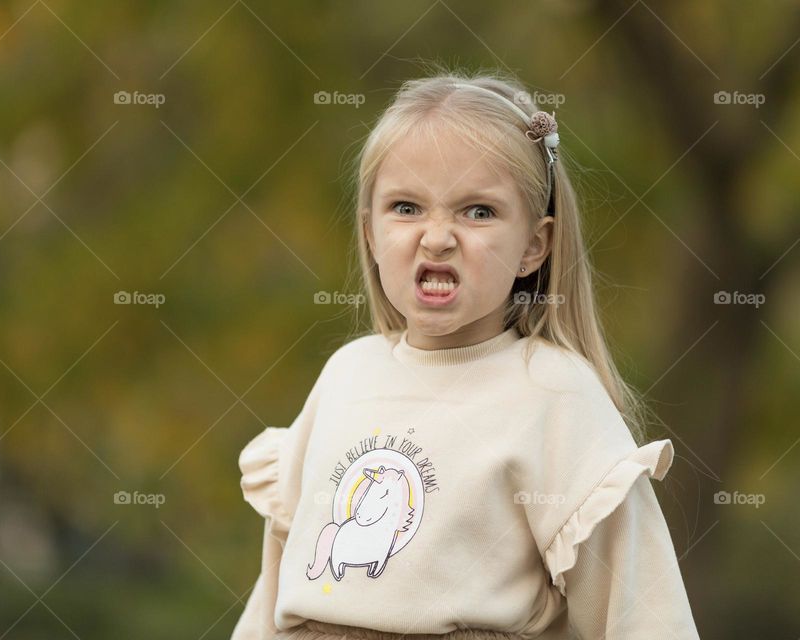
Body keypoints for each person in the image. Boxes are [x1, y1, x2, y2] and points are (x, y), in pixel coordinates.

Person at [231, 71, 700, 639]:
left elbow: (641, 609)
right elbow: (275, 585)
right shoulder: (346, 375)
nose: (436, 237)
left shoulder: (554, 395)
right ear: (371, 233)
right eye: (406, 207)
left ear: (534, 245)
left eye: (477, 212)